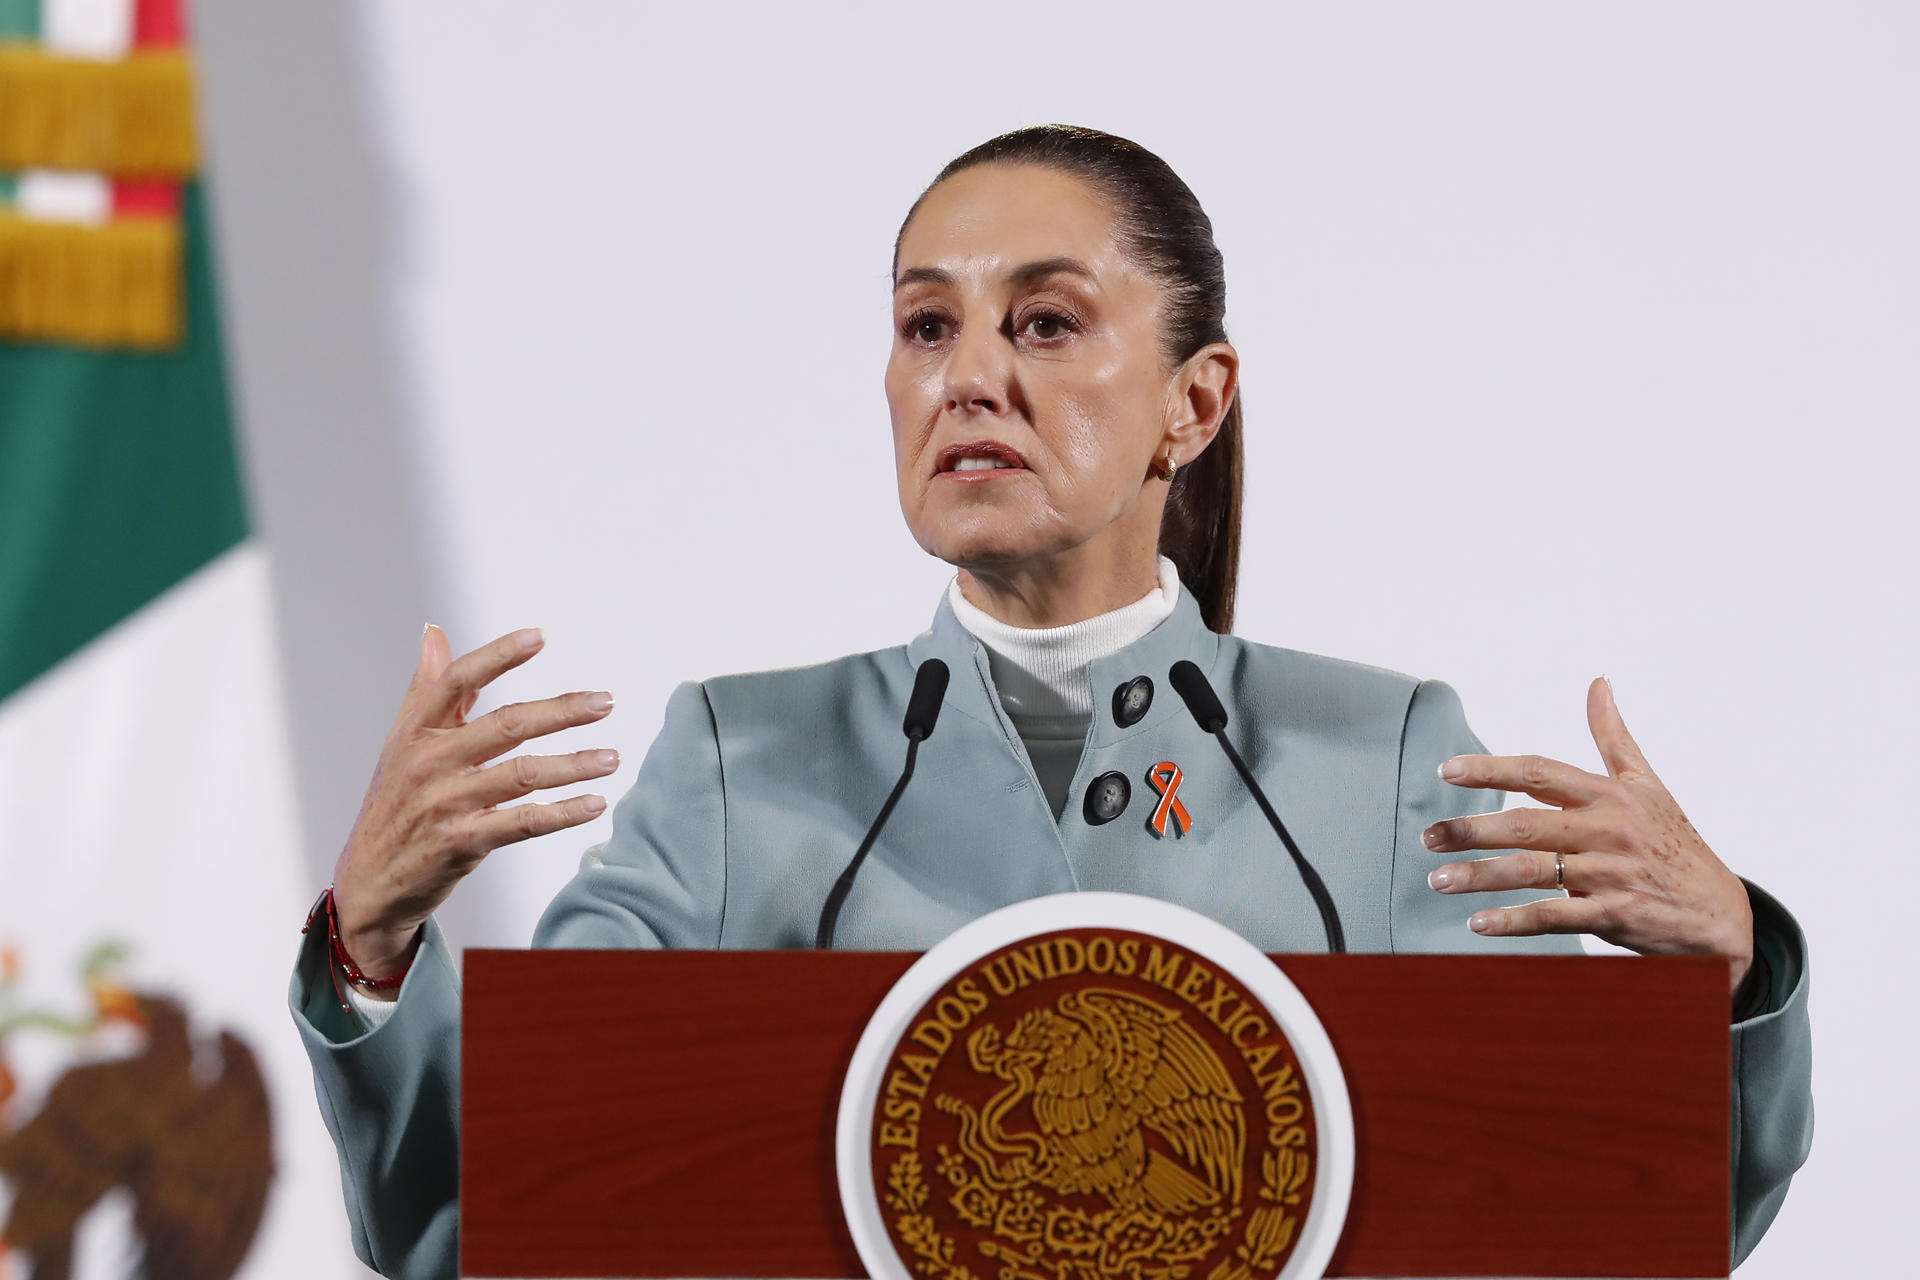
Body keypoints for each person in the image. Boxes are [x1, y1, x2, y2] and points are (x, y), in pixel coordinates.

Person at [290, 124, 1812, 1280]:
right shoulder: (740, 767)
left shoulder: (1383, 756)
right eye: (927, 325)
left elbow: (1609, 1203)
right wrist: (371, 946)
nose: (968, 379)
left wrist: (1734, 971)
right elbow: (485, 1222)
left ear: (1192, 403)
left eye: (1044, 324)